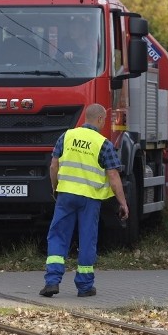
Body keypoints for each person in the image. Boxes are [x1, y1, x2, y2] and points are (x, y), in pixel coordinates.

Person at [40, 103, 129, 298]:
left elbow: (54, 165)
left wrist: (55, 188)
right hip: (90, 199)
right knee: (87, 239)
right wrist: (122, 202)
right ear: (99, 120)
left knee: (57, 236)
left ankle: (52, 282)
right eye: (104, 120)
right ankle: (85, 286)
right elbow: (113, 176)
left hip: (66, 196)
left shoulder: (67, 136)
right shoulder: (103, 143)